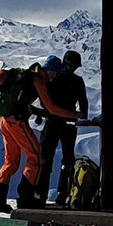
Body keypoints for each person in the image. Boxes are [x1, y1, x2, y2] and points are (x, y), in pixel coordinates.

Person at [0, 62, 79, 213]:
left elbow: (28, 105)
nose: (54, 77)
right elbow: (51, 107)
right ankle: (25, 198)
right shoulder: (37, 80)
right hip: (17, 122)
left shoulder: (24, 75)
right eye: (54, 73)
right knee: (36, 158)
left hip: (5, 120)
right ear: (49, 70)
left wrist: (40, 113)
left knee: (10, 162)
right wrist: (74, 115)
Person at [37, 51, 89, 204]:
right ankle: (62, 195)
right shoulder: (77, 81)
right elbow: (83, 103)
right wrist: (81, 115)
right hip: (69, 123)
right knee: (66, 160)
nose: (73, 68)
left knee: (47, 158)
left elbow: (43, 98)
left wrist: (44, 112)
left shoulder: (54, 78)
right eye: (72, 66)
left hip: (53, 122)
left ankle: (41, 194)